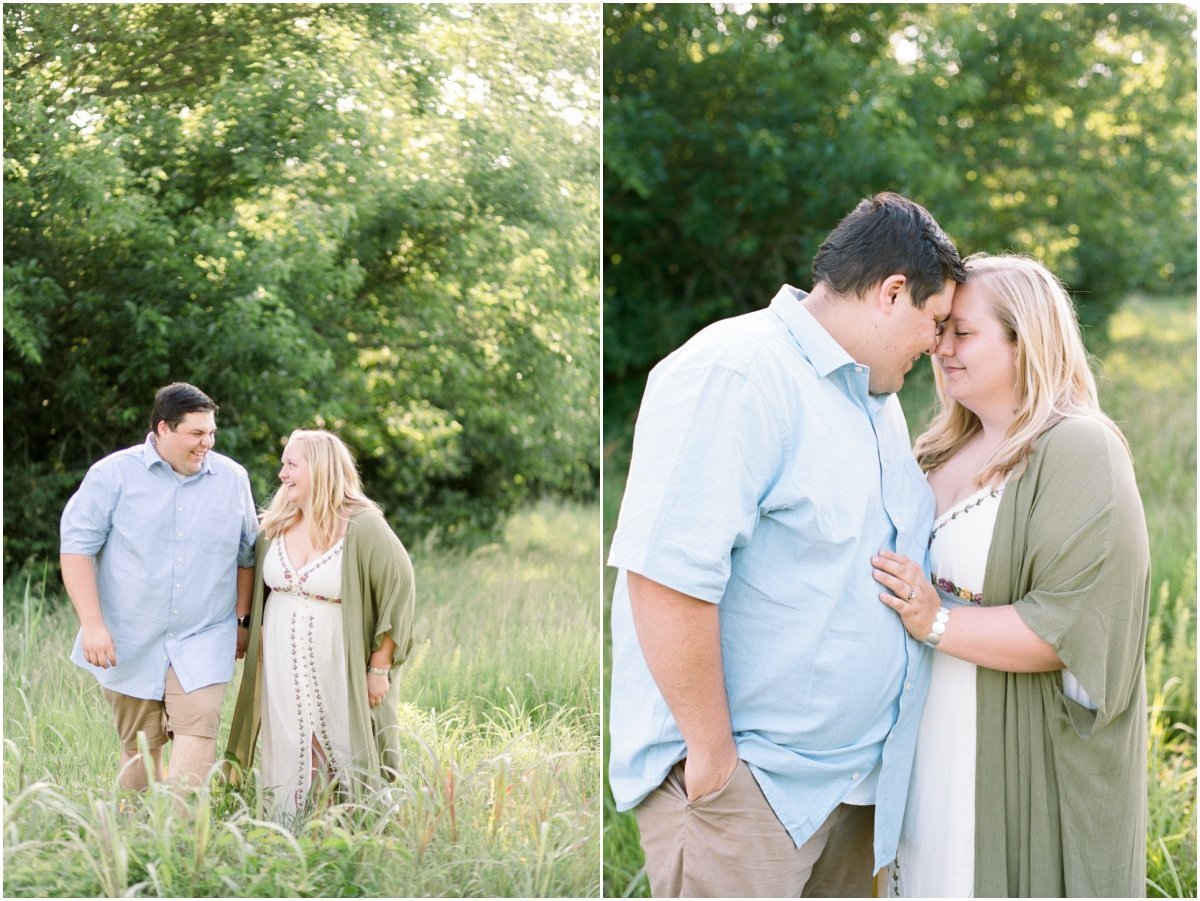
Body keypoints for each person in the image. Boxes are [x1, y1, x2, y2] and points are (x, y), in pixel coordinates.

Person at [608, 192, 967, 897]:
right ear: (894, 292)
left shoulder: (876, 401)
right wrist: (714, 762)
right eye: (936, 320)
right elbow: (665, 578)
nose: (938, 344)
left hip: (853, 791)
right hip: (751, 794)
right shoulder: (736, 371)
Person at [871, 253, 1150, 897]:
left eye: (963, 332)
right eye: (940, 329)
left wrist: (931, 617)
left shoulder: (1079, 448)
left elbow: (1068, 628)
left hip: (1009, 752)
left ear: (1026, 339)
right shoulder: (934, 448)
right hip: (922, 745)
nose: (941, 346)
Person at [60, 382, 258, 789]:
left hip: (204, 635)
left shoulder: (232, 478)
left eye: (212, 433)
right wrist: (93, 625)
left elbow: (246, 557)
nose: (208, 443)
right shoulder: (112, 475)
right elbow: (76, 548)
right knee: (139, 745)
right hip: (130, 636)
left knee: (198, 731)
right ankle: (134, 835)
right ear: (164, 429)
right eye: (197, 433)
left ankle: (182, 837)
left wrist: (241, 620)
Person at [225, 429, 415, 817]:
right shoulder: (275, 524)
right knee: (293, 738)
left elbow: (399, 592)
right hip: (281, 656)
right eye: (283, 465)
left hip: (336, 654)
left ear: (321, 469)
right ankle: (292, 826)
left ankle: (352, 824)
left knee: (339, 739)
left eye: (291, 465)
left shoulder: (363, 526)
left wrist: (379, 668)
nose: (282, 474)